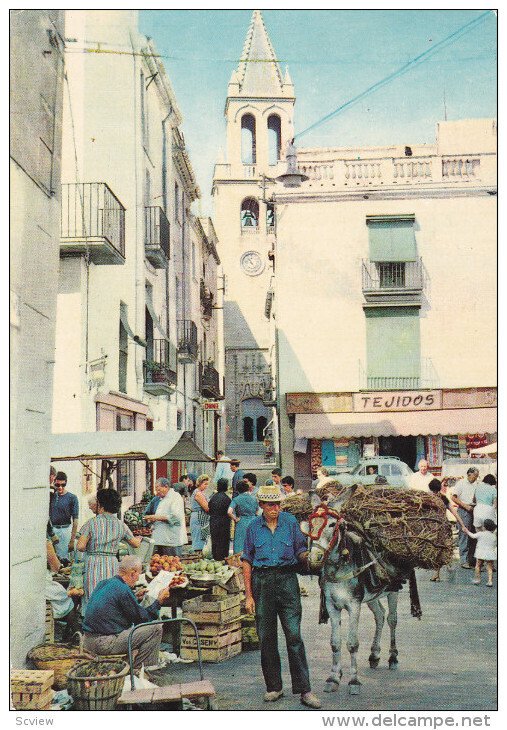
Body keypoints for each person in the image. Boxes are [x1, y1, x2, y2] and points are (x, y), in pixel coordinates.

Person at [242, 485, 321, 709]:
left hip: (287, 583)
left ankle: (305, 690)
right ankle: (274, 687)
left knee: (294, 636)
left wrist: (311, 558)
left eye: (278, 504)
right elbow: (247, 561)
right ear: (261, 506)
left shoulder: (290, 523)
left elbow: (300, 551)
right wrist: (249, 595)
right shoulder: (252, 528)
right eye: (270, 505)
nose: (275, 508)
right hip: (262, 583)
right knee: (266, 637)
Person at [82, 556, 170, 670]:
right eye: (138, 574)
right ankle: (142, 670)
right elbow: (142, 619)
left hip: (88, 640)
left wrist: (134, 597)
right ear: (133, 573)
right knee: (155, 628)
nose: (138, 578)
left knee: (141, 628)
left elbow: (117, 604)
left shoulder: (104, 583)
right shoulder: (123, 589)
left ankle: (135, 666)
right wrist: (158, 602)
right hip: (103, 643)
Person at [77, 488, 141, 606]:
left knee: (93, 594)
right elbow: (135, 544)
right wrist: (139, 539)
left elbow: (80, 546)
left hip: (93, 563)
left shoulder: (91, 523)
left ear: (100, 504)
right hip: (111, 563)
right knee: (110, 596)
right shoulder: (121, 525)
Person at [427, 478, 466, 581]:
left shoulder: (428, 498)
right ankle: (442, 569)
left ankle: (437, 573)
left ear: (430, 488)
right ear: (440, 488)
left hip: (433, 527)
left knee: (436, 550)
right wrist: (462, 524)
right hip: (444, 526)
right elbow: (454, 512)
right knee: (442, 549)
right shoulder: (444, 498)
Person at [143, 478, 188, 557]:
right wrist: (152, 522)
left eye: (159, 490)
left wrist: (155, 518)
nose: (157, 493)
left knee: (172, 564)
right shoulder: (162, 498)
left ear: (166, 487)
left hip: (171, 540)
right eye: (156, 490)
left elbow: (176, 517)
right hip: (160, 539)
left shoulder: (175, 497)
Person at [451, 467, 479, 568]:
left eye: (477, 476)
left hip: (474, 509)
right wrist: (465, 506)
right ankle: (463, 560)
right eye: (474, 476)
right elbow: (453, 497)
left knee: (474, 535)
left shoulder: (476, 484)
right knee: (464, 534)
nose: (475, 478)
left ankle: (472, 559)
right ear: (469, 474)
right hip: (464, 510)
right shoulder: (461, 483)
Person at [49, 472, 79, 560]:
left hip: (65, 530)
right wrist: (53, 487)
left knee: (63, 558)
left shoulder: (72, 498)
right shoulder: (51, 496)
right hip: (52, 530)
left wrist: (72, 540)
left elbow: (75, 520)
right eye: (58, 485)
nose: (60, 487)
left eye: (63, 485)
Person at [228, 480, 259, 554]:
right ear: (248, 489)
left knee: (240, 543)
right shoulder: (254, 498)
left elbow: (229, 512)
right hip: (253, 521)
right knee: (253, 541)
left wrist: (235, 518)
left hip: (241, 522)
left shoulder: (236, 499)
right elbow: (257, 511)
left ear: (238, 490)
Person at [465, 519, 497, 587]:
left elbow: (472, 536)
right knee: (489, 567)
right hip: (490, 553)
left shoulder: (480, 534)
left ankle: (478, 579)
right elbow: (494, 544)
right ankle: (490, 581)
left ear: (484, 527)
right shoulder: (493, 536)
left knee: (478, 566)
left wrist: (466, 531)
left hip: (480, 553)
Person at [208, 478, 232, 560]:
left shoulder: (213, 497)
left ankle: (215, 558)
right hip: (224, 522)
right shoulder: (227, 499)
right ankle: (224, 559)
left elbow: (209, 509)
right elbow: (229, 511)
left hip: (213, 521)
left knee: (215, 541)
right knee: (224, 541)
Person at [189, 474, 210, 551]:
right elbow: (207, 508)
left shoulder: (202, 492)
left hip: (202, 517)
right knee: (199, 537)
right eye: (205, 484)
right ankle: (198, 554)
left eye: (207, 484)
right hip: (198, 517)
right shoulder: (198, 493)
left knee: (203, 537)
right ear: (199, 483)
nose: (206, 486)